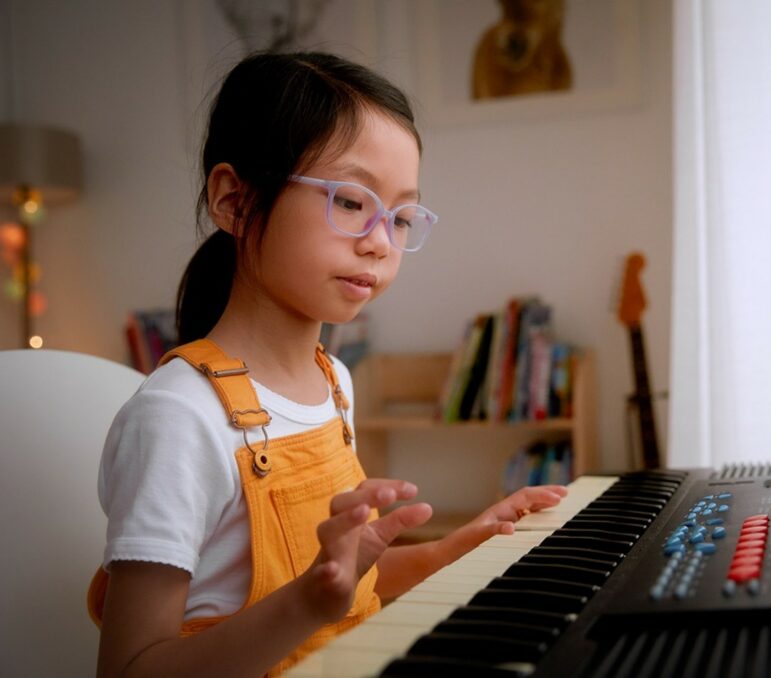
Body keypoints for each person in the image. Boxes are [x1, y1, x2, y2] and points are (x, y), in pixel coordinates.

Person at [91, 51, 567, 677]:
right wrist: (307, 603)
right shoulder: (179, 416)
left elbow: (340, 585)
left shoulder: (333, 382)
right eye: (349, 201)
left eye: (399, 217)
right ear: (235, 201)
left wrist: (456, 547)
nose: (379, 240)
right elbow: (130, 668)